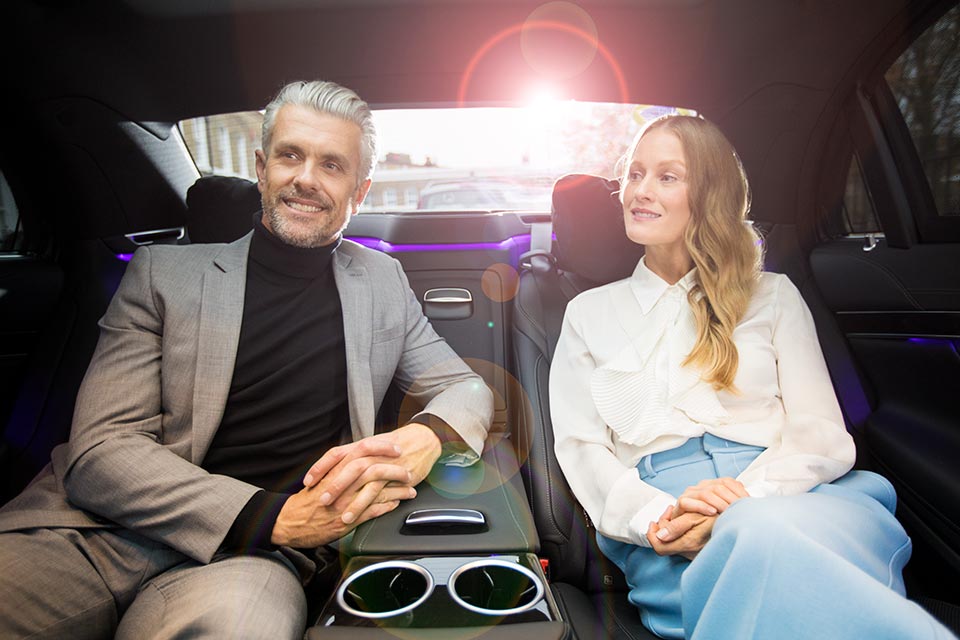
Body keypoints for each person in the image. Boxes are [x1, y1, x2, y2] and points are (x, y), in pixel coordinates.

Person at [0, 80, 493, 639]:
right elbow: (101, 452)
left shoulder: (381, 282)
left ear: (359, 191)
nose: (306, 178)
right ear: (262, 169)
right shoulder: (164, 274)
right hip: (97, 534)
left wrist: (426, 436)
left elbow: (470, 390)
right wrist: (275, 515)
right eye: (290, 155)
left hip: (255, 561)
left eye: (332, 165)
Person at [549, 114, 956, 639]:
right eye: (634, 174)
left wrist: (747, 499)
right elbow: (581, 448)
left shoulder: (774, 295)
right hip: (671, 525)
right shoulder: (587, 313)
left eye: (667, 177)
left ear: (710, 194)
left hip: (800, 496)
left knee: (762, 532)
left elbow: (820, 432)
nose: (640, 191)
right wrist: (658, 518)